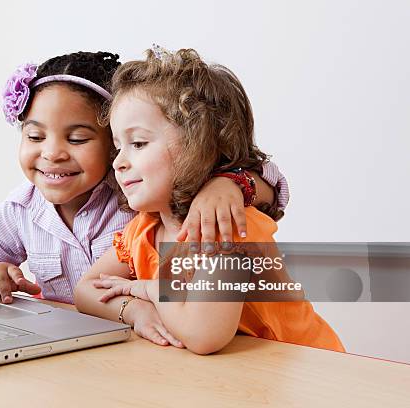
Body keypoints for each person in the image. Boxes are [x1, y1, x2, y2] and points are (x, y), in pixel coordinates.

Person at [0, 51, 287, 314]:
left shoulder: (142, 195)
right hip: (75, 349)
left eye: (77, 139)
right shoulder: (22, 208)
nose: (52, 153)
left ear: (112, 143)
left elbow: (273, 185)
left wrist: (228, 183)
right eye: (34, 136)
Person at [73, 47, 344, 354]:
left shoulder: (225, 225)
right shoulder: (145, 228)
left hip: (307, 371)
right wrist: (135, 311)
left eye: (138, 143)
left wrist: (145, 289)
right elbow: (85, 291)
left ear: (200, 145)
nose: (119, 162)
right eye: (118, 147)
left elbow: (203, 335)